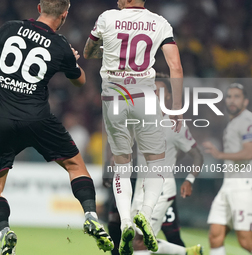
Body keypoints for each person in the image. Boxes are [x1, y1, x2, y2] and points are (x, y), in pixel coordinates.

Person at [0, 0, 114, 254]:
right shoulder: (60, 45)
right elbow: (80, 81)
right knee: (75, 166)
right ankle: (91, 215)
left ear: (39, 8)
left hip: (1, 119)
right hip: (38, 119)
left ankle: (5, 231)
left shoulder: (8, 29)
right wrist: (70, 59)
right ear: (64, 15)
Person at [84, 0, 183, 253]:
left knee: (122, 164)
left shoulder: (107, 17)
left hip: (114, 95)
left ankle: (126, 220)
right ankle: (146, 215)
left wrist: (107, 50)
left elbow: (89, 51)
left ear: (125, 1)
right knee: (156, 163)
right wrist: (177, 107)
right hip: (144, 97)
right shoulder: (160, 23)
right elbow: (175, 67)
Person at [131, 75, 203, 255]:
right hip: (141, 188)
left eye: (160, 91)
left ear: (169, 96)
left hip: (161, 190)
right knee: (136, 239)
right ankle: (187, 253)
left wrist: (189, 180)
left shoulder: (175, 124)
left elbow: (197, 155)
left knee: (141, 242)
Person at [203, 83, 252, 255]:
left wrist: (219, 155)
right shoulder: (234, 122)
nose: (232, 100)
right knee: (215, 236)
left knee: (245, 240)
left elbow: (249, 152)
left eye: (237, 96)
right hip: (229, 184)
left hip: (243, 186)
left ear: (245, 102)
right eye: (229, 96)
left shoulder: (247, 121)